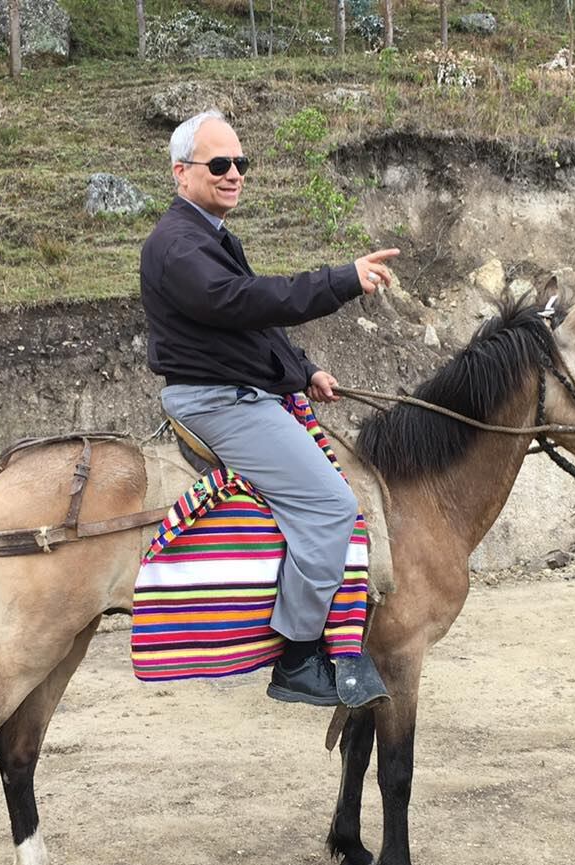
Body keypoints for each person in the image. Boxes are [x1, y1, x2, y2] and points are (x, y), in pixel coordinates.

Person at [140, 110, 399, 708]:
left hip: (236, 390)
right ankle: (299, 656)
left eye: (241, 163)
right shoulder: (177, 244)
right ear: (181, 173)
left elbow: (252, 324)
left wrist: (304, 371)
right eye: (219, 164)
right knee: (332, 506)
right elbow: (244, 301)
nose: (234, 174)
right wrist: (341, 279)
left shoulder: (208, 236)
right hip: (219, 401)